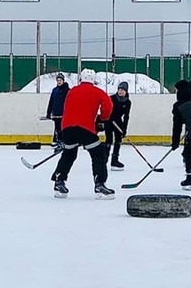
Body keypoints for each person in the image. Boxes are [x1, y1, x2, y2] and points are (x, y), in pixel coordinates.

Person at [50, 68, 115, 199]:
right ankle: (100, 184)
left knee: (69, 153)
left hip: (67, 128)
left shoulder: (72, 91)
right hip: (85, 128)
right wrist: (102, 119)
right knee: (98, 153)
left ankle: (59, 181)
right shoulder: (97, 91)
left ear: (81, 79)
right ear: (93, 80)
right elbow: (108, 105)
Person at [105, 80, 132, 169]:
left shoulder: (127, 102)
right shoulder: (111, 98)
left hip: (118, 121)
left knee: (118, 139)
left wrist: (124, 129)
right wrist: (108, 116)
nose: (120, 91)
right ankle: (104, 161)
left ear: (126, 91)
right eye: (119, 89)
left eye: (122, 90)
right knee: (109, 140)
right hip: (109, 121)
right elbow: (104, 109)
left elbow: (126, 116)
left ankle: (114, 160)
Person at [43, 72, 70, 145]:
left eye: (60, 80)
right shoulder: (55, 90)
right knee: (57, 128)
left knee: (63, 128)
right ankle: (57, 140)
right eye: (57, 80)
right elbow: (51, 102)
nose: (59, 82)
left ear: (63, 81)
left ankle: (63, 140)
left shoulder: (67, 90)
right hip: (56, 113)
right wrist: (48, 113)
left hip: (64, 114)